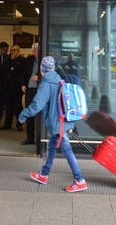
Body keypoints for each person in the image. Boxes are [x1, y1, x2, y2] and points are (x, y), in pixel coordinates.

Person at [19, 56, 88, 193]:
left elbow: (37, 105)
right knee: (51, 147)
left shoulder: (46, 83)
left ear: (42, 70)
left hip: (58, 124)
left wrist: (23, 115)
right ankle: (44, 175)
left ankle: (80, 180)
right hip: (62, 122)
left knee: (67, 151)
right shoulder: (58, 79)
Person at [20, 43, 41, 145]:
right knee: (29, 114)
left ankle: (41, 138)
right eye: (35, 51)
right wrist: (23, 84)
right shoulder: (29, 60)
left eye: (38, 50)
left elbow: (50, 74)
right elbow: (24, 72)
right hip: (30, 90)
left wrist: (39, 78)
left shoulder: (44, 61)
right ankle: (29, 137)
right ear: (33, 51)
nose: (37, 52)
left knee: (41, 115)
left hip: (40, 90)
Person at [3, 45, 26, 131]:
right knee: (8, 106)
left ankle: (19, 124)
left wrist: (13, 61)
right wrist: (12, 63)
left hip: (17, 86)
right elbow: (4, 68)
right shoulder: (8, 59)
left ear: (18, 51)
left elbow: (18, 67)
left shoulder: (22, 60)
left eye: (14, 50)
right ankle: (7, 124)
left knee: (18, 106)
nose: (12, 52)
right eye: (11, 50)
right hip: (8, 86)